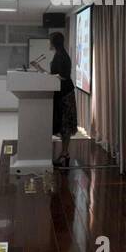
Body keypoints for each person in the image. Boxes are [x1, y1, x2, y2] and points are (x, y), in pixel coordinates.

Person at [49, 31, 77, 167]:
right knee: (63, 124)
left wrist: (49, 76)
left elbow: (63, 76)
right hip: (62, 93)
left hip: (65, 93)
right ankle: (64, 152)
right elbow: (56, 74)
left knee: (65, 125)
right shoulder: (59, 54)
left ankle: (65, 153)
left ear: (54, 42)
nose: (49, 43)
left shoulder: (62, 56)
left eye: (50, 40)